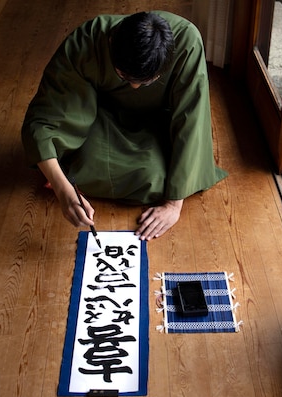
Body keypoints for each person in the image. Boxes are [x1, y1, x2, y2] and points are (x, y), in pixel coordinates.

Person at [21, 11, 227, 240]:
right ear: (111, 42)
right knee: (82, 165)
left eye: (146, 81)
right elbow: (46, 118)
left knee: (156, 178)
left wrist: (173, 205)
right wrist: (63, 190)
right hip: (102, 117)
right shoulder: (87, 42)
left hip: (158, 124)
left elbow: (191, 118)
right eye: (124, 76)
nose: (135, 88)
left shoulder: (187, 41)